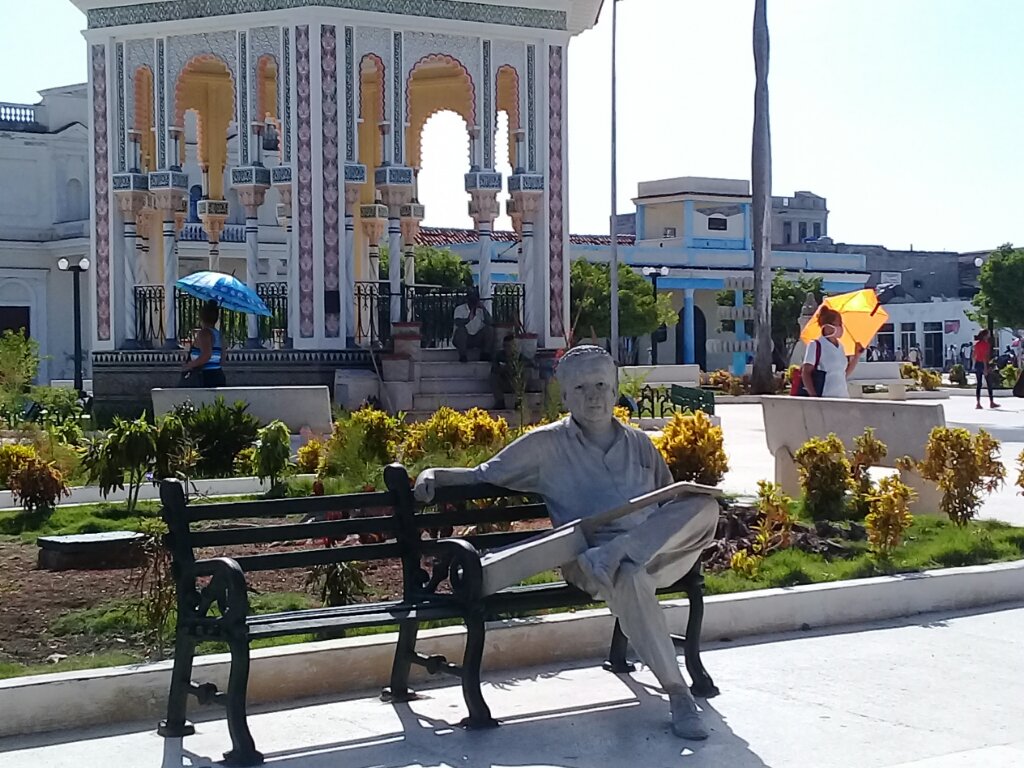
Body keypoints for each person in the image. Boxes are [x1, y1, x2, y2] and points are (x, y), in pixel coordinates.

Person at [414, 345, 720, 741]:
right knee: (628, 578)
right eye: (581, 387)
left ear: (614, 390)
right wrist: (432, 472)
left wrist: (638, 540)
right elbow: (481, 474)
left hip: (652, 551)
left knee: (703, 506)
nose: (593, 395)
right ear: (566, 394)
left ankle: (623, 551)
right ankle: (678, 693)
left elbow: (670, 504)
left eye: (600, 385)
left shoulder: (640, 444)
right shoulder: (546, 445)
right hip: (589, 558)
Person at [800, 306, 864, 398]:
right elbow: (806, 373)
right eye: (838, 324)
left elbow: (843, 374)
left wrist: (857, 356)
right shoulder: (816, 345)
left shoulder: (841, 346)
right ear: (827, 325)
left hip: (843, 396)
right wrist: (814, 397)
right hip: (825, 396)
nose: (840, 327)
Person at [181, 300, 226, 387]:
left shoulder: (204, 333)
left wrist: (189, 365)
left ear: (201, 317)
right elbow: (222, 360)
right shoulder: (220, 336)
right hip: (218, 375)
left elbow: (206, 355)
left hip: (205, 377)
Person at [490, 335, 536, 410]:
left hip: (515, 384)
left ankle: (519, 401)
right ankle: (500, 401)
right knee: (493, 377)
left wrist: (517, 368)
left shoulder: (519, 357)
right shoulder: (499, 356)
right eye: (506, 346)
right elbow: (494, 369)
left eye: (510, 346)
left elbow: (531, 363)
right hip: (504, 382)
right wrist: (504, 368)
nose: (508, 348)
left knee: (526, 372)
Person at [452, 287, 494, 364]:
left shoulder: (480, 310)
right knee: (461, 330)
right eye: (471, 299)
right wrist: (468, 319)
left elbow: (490, 322)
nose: (473, 302)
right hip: (463, 339)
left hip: (476, 338)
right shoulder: (460, 309)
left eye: (475, 299)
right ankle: (463, 355)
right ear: (467, 299)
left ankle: (485, 354)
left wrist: (484, 309)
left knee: (489, 329)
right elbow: (457, 323)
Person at [973, 329, 999, 410]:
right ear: (985, 336)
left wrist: (974, 364)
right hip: (984, 364)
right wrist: (985, 368)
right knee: (989, 383)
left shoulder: (976, 344)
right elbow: (985, 357)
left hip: (977, 364)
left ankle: (978, 403)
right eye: (988, 334)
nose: (989, 335)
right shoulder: (986, 345)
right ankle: (991, 402)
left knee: (979, 384)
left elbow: (973, 355)